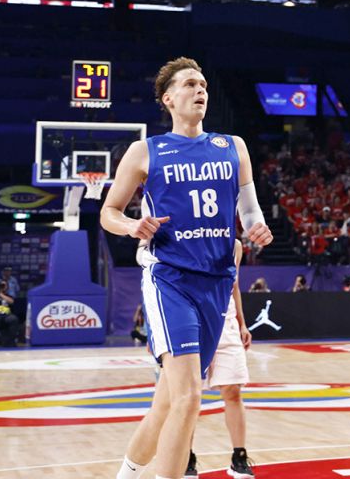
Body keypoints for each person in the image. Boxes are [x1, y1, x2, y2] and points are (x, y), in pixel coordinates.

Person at [103, 57, 272, 479]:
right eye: (191, 84)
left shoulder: (232, 146)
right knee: (189, 399)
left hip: (216, 283)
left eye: (204, 85)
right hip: (170, 280)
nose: (201, 91)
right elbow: (108, 211)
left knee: (166, 403)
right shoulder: (146, 151)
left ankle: (126, 474)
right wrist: (131, 226)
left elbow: (249, 211)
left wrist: (257, 229)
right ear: (169, 98)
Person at [185, 239, 256, 479]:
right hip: (191, 322)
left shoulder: (234, 245)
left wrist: (242, 323)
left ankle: (239, 457)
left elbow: (234, 286)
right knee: (189, 396)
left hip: (226, 322)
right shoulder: (186, 235)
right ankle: (186, 456)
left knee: (233, 391)